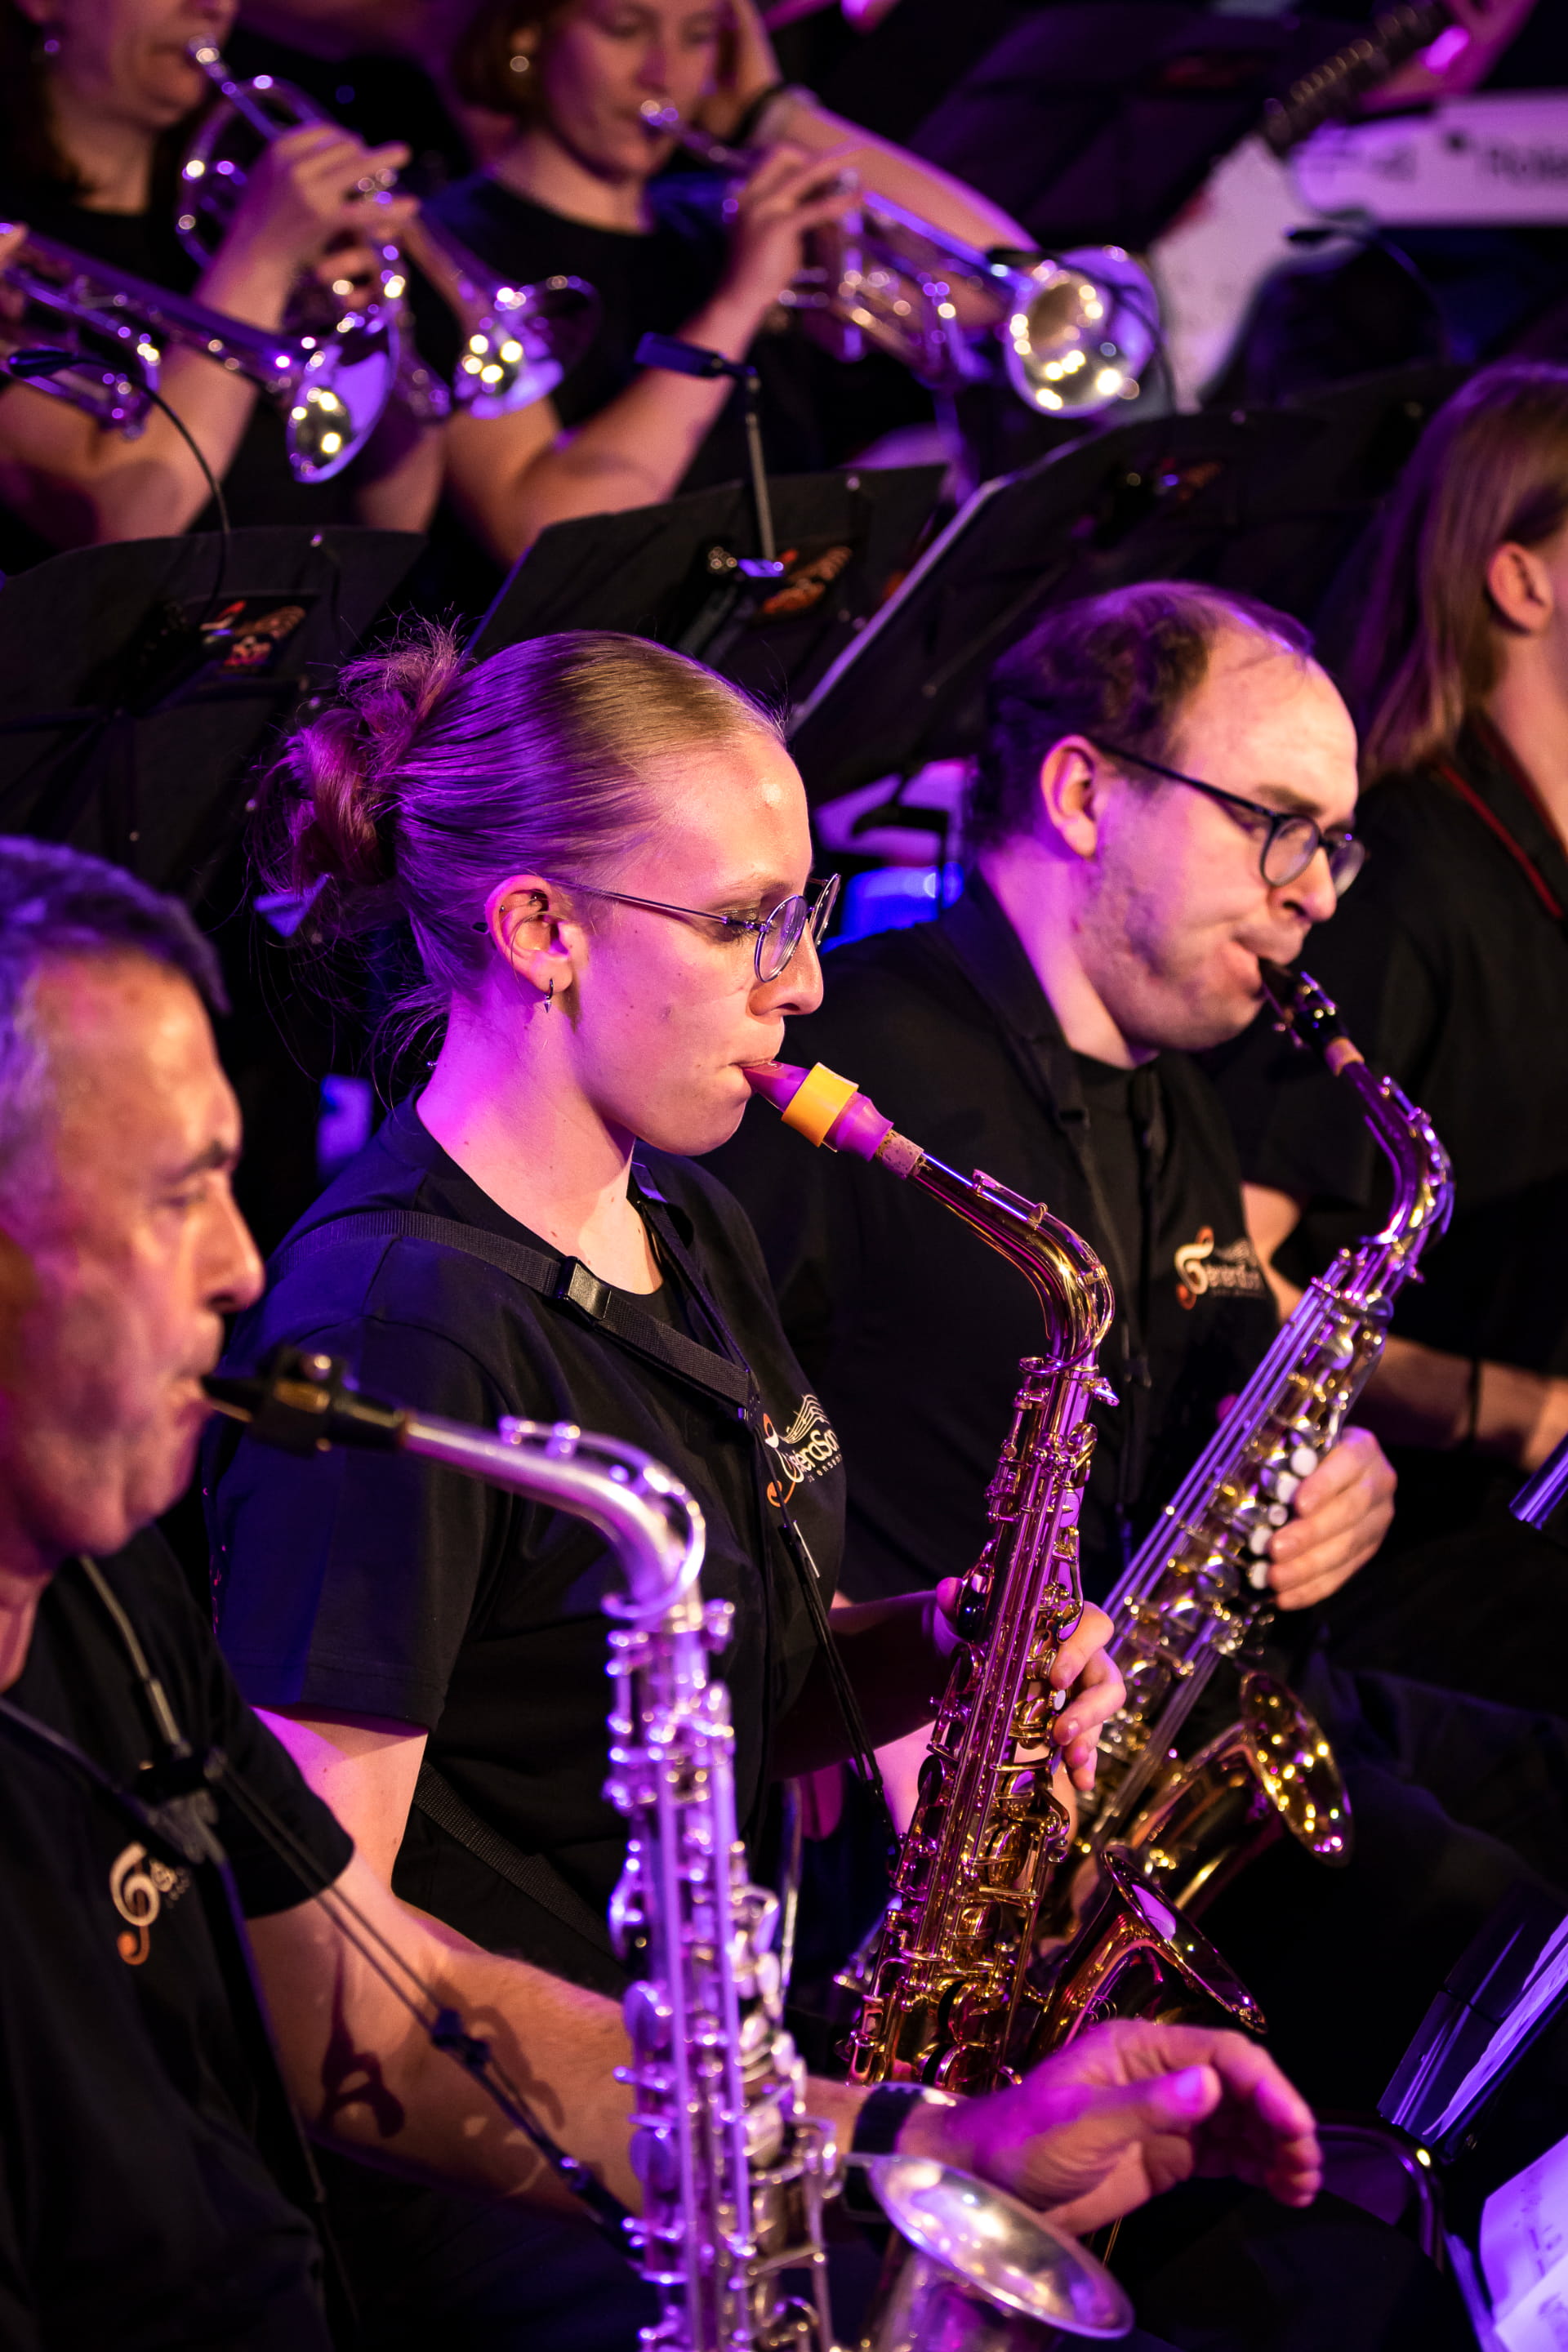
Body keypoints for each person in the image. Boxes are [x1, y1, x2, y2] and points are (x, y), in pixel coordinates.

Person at [0, 829, 1334, 2351]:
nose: (243, 1269)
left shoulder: (115, 1605)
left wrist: (921, 2142)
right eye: (176, 1195)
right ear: (541, 930)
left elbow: (382, 2002)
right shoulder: (395, 1320)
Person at [202, 625, 1134, 2342]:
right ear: (541, 932)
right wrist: (831, 2148)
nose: (807, 986)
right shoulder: (397, 1332)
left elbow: (717, 1687)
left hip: (704, 2077)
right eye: (741, 925)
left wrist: (952, 1647)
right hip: (511, 2181)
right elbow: (327, 1983)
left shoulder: (683, 1209)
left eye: (804, 911)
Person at [707, 578, 1568, 2121]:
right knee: (1478, 1931)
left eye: (1337, 846)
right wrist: (831, 1645)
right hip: (951, 1838)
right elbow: (686, 1425)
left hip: (1186, 1737)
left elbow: (1239, 1395)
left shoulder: (1173, 1090)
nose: (1318, 896)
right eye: (1279, 827)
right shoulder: (855, 1075)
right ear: (1085, 793)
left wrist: (1348, 1469)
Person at [1210, 360, 1568, 1711]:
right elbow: (1223, 1271)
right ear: (1522, 581)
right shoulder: (1401, 882)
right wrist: (1515, 1409)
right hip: (1406, 1570)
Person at [422, 0, 1034, 562]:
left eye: (698, 37)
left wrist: (770, 113)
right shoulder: (448, 247)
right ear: (528, 36)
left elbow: (1009, 284)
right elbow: (540, 531)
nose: (664, 75)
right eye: (625, 30)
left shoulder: (721, 214)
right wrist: (740, 301)